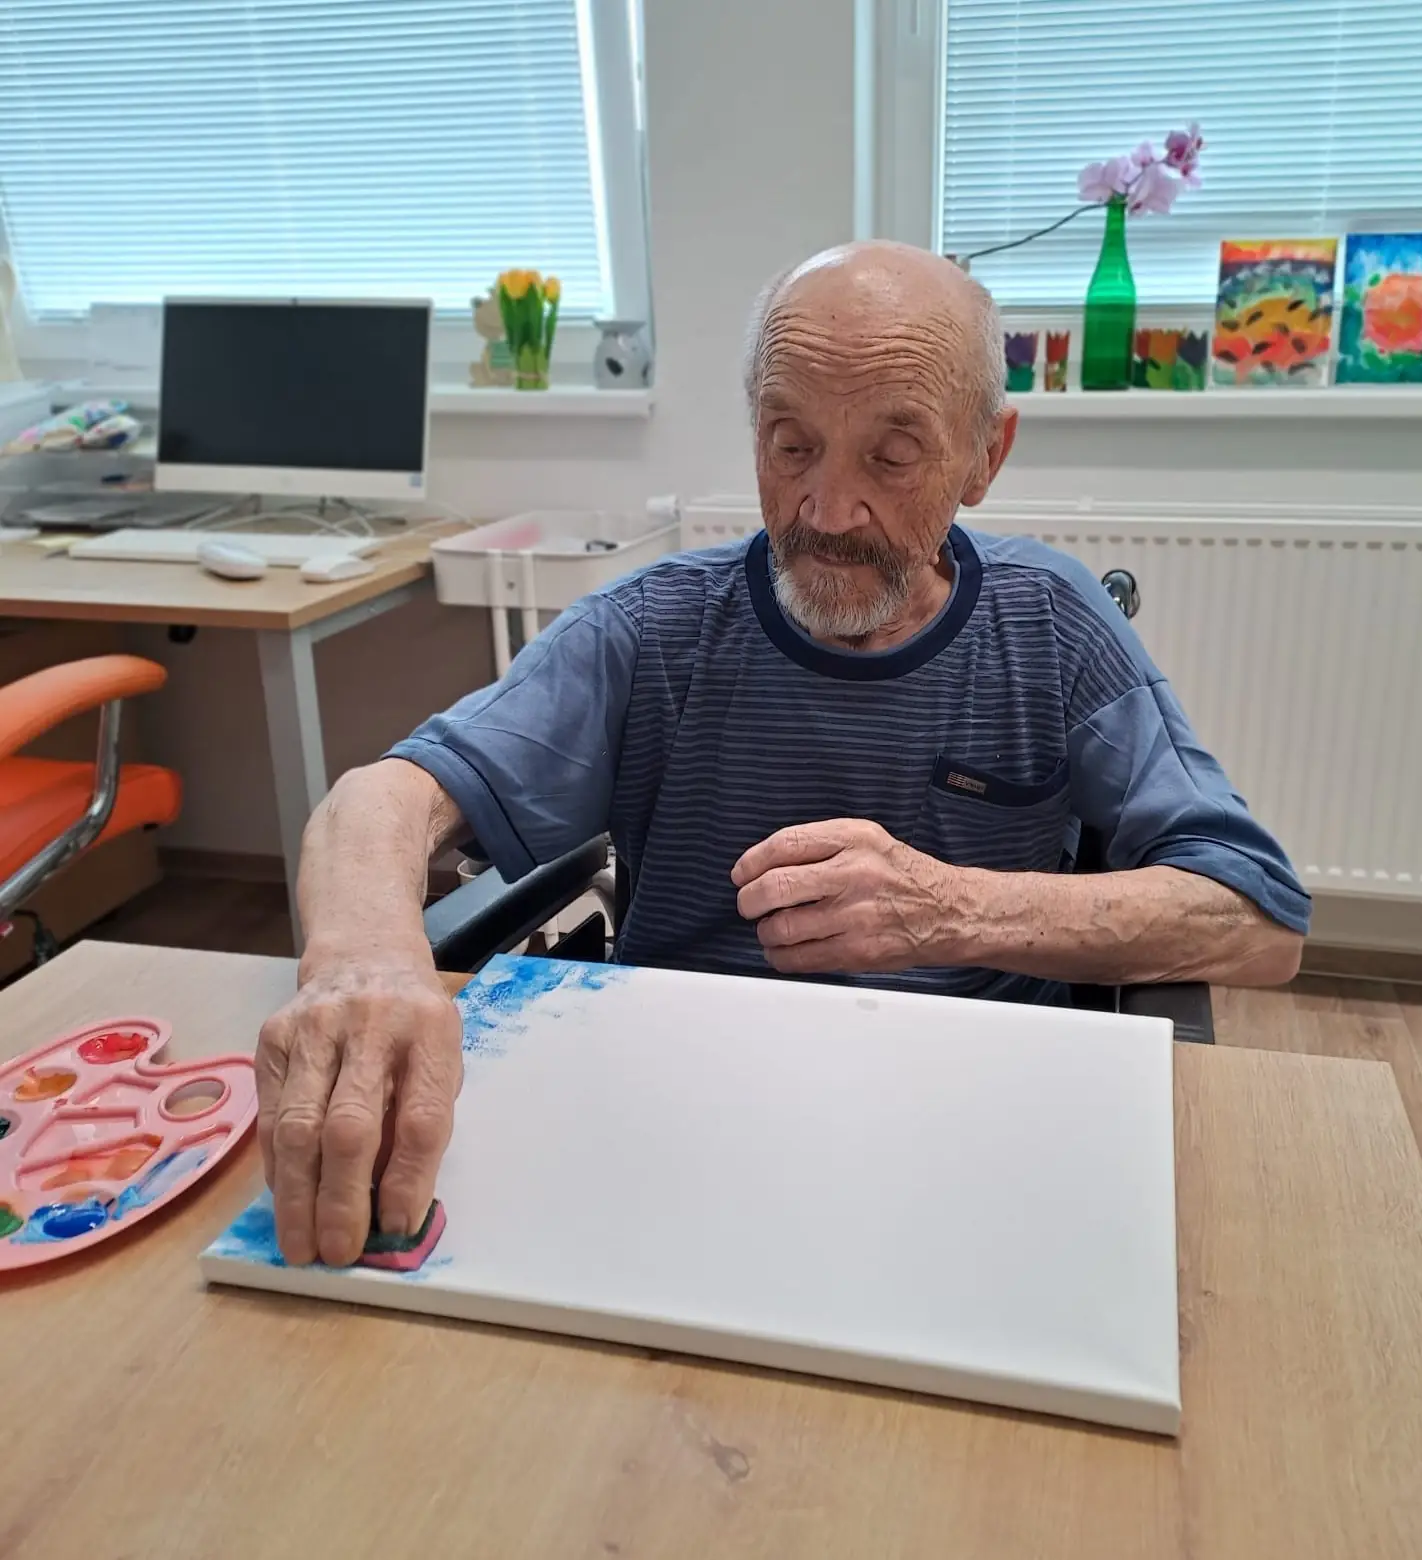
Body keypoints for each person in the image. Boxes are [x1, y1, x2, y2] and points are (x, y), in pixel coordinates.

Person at [258, 241, 1308, 1266]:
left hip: (970, 1122)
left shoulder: (1052, 626)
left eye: (891, 456)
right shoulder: (654, 631)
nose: (826, 511)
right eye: (791, 444)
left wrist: (953, 910)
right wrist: (366, 959)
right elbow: (382, 799)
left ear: (985, 457)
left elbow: (1260, 921)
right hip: (673, 1118)